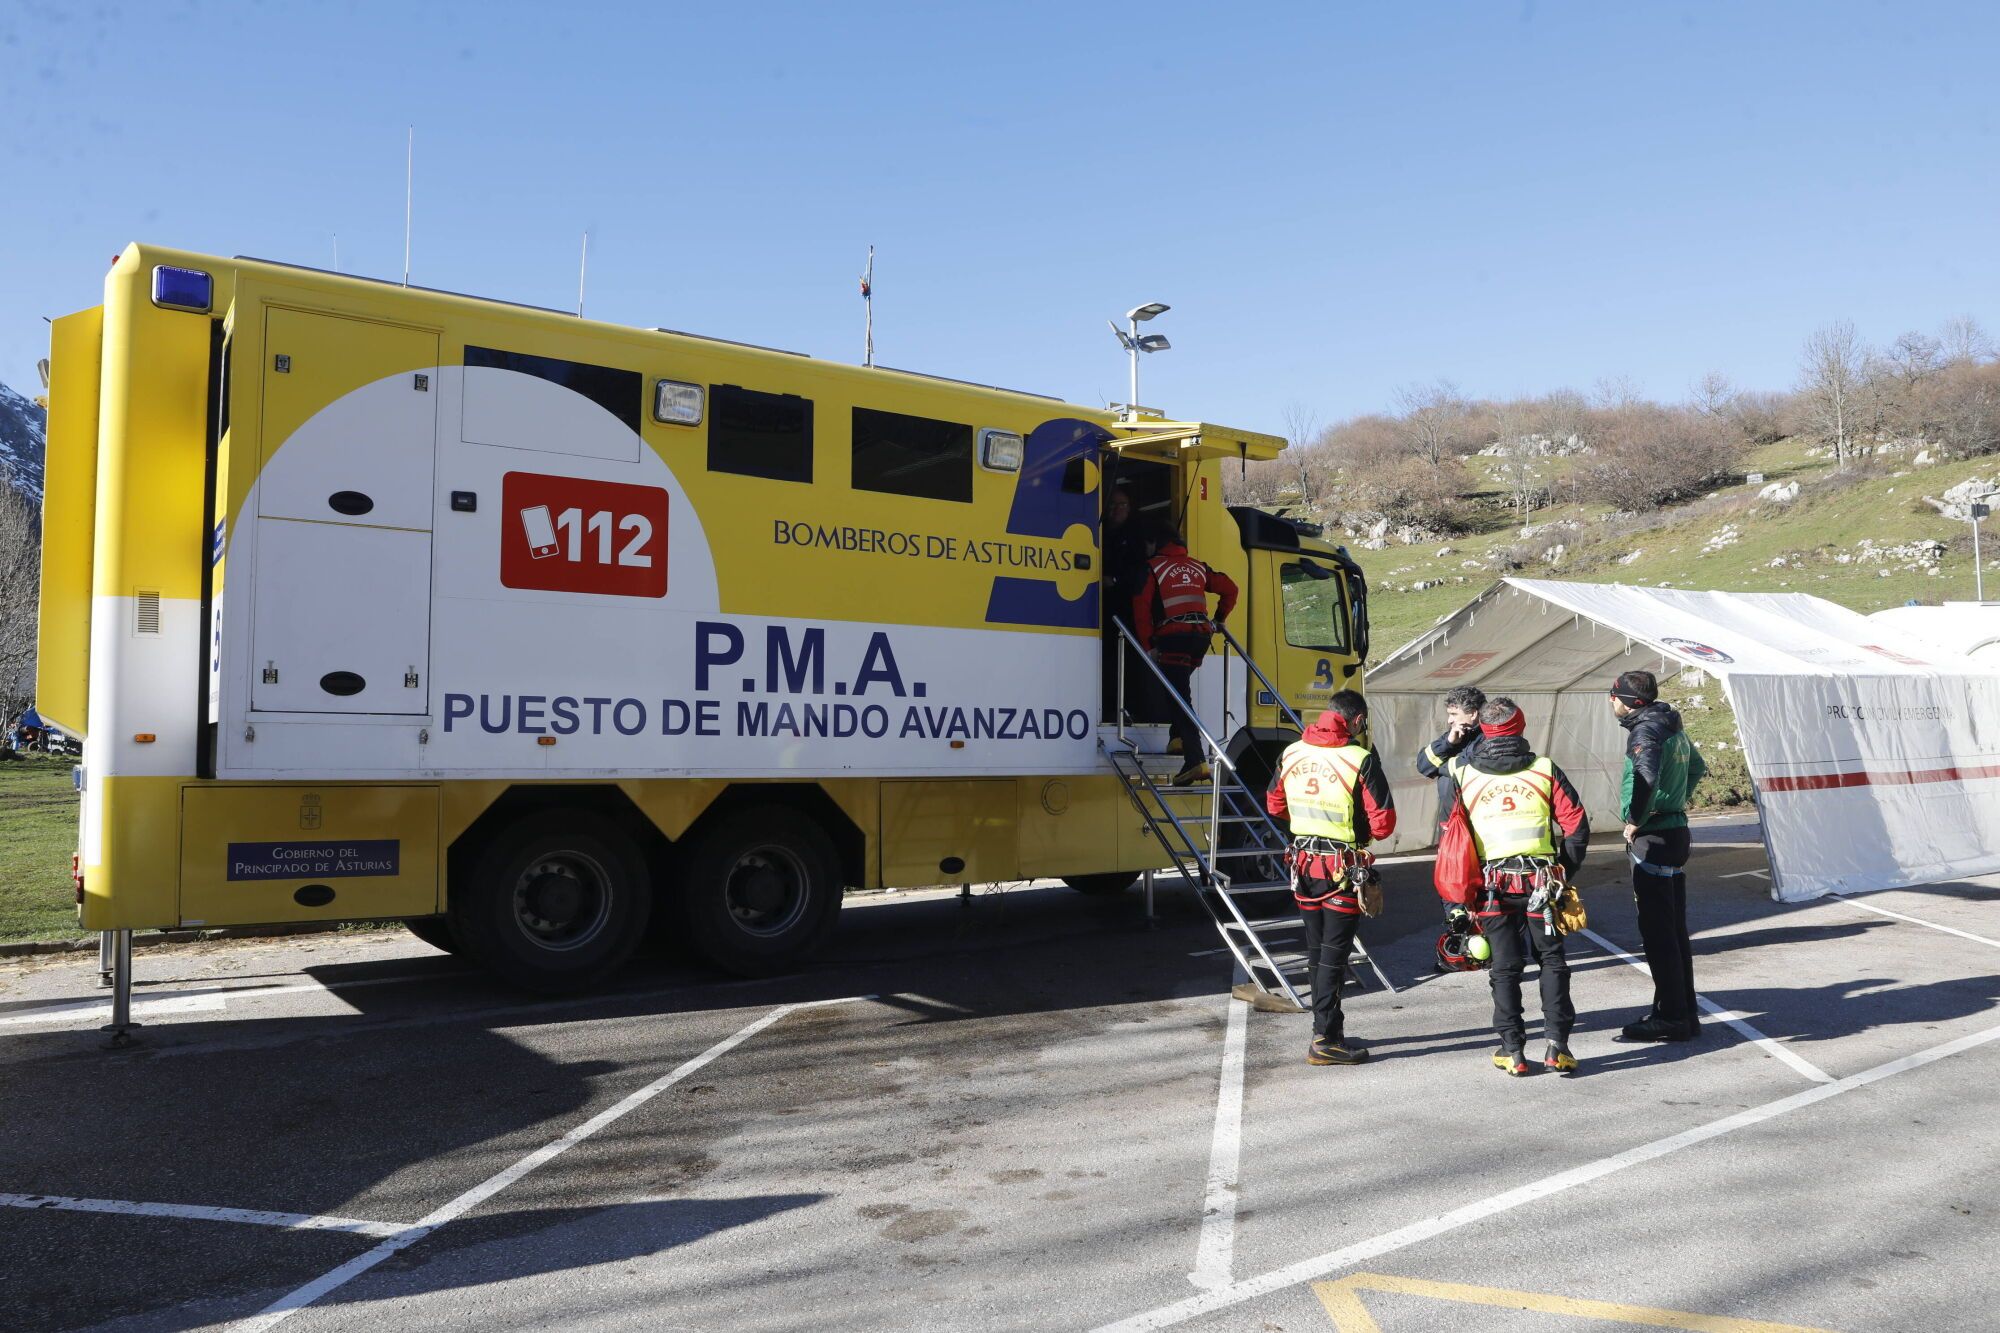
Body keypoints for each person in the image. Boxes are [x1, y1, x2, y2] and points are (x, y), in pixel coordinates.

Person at [1437, 697, 1590, 1076]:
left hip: (1491, 887)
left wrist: (1457, 899)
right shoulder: (1544, 769)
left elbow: (1451, 839)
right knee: (1552, 961)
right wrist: (1562, 873)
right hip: (1542, 882)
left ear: (1483, 731)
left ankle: (1513, 1051)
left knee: (1504, 968)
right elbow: (1576, 826)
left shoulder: (1461, 773)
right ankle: (1558, 1047)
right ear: (1520, 728)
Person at [1266, 689, 1396, 1066]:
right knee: (1334, 957)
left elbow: (1274, 804)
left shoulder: (1292, 752)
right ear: (1357, 721)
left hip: (1304, 866)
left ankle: (1330, 1028)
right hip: (1342, 869)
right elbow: (1384, 825)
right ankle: (1323, 1039)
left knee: (1318, 950)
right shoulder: (1360, 759)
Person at [1609, 670, 1709, 1043]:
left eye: (1613, 696)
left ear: (1624, 701)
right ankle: (1681, 1011)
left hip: (1654, 836)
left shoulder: (1646, 730)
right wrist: (1677, 799)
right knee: (1674, 930)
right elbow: (1697, 767)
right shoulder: (1671, 724)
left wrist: (1636, 819)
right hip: (1675, 830)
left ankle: (1672, 1016)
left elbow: (1646, 777)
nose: (1611, 702)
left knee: (1657, 934)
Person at [1132, 527, 1238, 785]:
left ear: (1154, 544)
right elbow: (1231, 589)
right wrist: (1218, 620)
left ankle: (1195, 761)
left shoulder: (1152, 567)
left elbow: (1140, 608)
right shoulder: (1198, 567)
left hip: (1173, 637)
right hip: (1200, 638)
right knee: (1178, 688)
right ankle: (1177, 739)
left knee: (1178, 698)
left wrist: (1148, 646)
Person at [1100, 487, 1155, 720]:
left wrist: (1114, 580)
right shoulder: (1100, 533)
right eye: (1112, 504)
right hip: (1102, 613)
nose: (1116, 509)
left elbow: (1140, 573)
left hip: (1127, 612)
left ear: (1130, 508)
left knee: (1127, 666)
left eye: (1122, 504)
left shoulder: (1135, 537)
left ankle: (1128, 711)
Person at [1415, 685, 1487, 838]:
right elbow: (1423, 765)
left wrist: (1441, 768)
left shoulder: (1489, 738)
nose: (1449, 720)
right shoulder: (1454, 736)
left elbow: (1470, 770)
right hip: (1451, 822)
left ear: (1473, 714)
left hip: (1476, 824)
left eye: (1454, 714)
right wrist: (1448, 743)